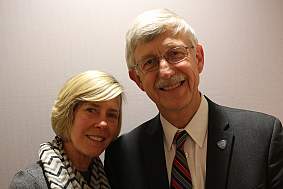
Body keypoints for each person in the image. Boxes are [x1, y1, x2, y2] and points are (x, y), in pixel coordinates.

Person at [104, 8, 283, 189]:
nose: (165, 71)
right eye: (149, 62)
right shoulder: (121, 156)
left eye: (175, 53)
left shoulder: (263, 138)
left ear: (198, 58)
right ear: (137, 79)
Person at [9, 70, 124, 189]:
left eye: (111, 115)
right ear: (68, 113)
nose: (103, 123)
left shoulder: (113, 178)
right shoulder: (29, 183)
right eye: (91, 110)